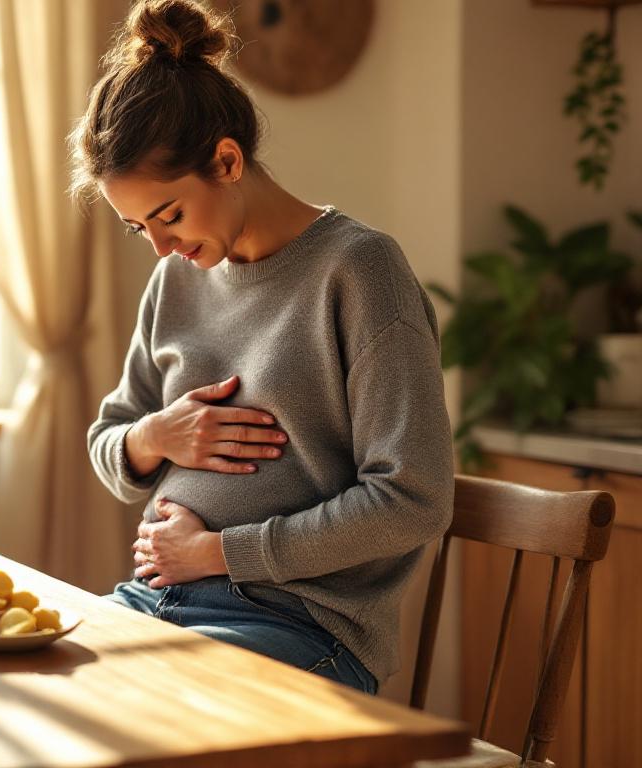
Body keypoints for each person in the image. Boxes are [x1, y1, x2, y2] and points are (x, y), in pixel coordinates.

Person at [73, 0, 453, 695]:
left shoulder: (359, 272)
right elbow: (108, 437)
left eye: (168, 215)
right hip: (152, 602)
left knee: (128, 718)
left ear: (226, 161)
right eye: (138, 228)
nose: (160, 247)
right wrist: (155, 437)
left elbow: (412, 499)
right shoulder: (175, 280)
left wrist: (218, 553)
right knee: (21, 692)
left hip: (299, 627)